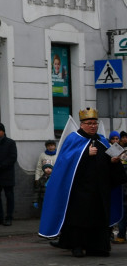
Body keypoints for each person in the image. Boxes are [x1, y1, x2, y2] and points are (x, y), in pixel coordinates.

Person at [40, 108, 126, 257]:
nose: (93, 126)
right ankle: (77, 246)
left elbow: (110, 164)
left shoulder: (102, 140)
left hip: (100, 190)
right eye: (89, 123)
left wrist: (113, 161)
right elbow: (65, 163)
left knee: (99, 219)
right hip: (80, 190)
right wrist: (85, 154)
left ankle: (97, 247)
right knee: (79, 219)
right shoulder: (73, 139)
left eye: (95, 123)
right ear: (82, 124)